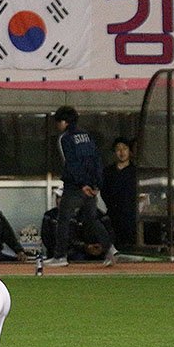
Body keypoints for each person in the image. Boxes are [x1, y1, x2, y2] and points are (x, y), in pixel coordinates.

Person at [46, 106, 115, 267]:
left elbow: (71, 163)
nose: (58, 125)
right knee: (91, 219)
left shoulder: (65, 138)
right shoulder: (87, 136)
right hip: (91, 185)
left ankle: (60, 256)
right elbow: (96, 159)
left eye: (58, 122)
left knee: (63, 219)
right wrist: (96, 184)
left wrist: (82, 183)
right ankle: (109, 248)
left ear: (64, 122)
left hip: (75, 185)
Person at [41, 188, 114, 262]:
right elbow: (46, 237)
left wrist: (101, 247)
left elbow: (109, 234)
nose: (60, 201)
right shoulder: (50, 216)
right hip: (70, 254)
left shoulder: (98, 216)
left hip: (87, 253)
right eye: (58, 198)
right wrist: (85, 247)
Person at [101, 137, 137, 249]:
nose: (121, 152)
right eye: (118, 149)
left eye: (124, 148)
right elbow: (104, 191)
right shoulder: (108, 171)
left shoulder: (135, 171)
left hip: (131, 214)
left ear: (129, 151)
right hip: (113, 213)